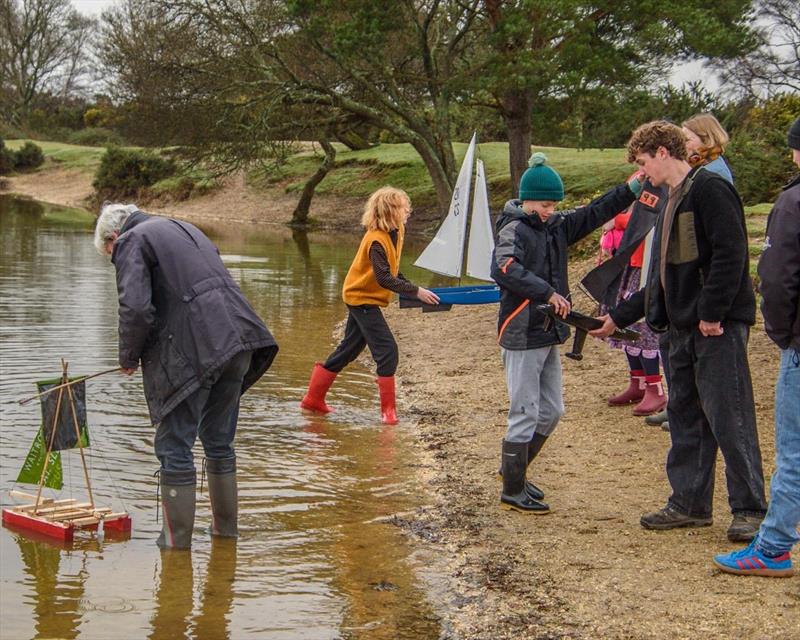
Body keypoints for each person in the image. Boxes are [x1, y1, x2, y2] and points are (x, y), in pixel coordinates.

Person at [590, 121, 767, 542]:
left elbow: (731, 254)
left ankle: (750, 509)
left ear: (663, 153)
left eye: (644, 162)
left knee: (729, 415)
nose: (642, 172)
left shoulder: (710, 190)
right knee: (686, 413)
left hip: (714, 327)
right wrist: (619, 315)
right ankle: (689, 502)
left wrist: (712, 312)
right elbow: (665, 277)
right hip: (679, 326)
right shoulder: (669, 199)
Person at [94, 203, 278, 549]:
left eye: (109, 255)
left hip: (201, 348)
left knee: (173, 444)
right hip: (240, 341)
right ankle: (226, 537)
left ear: (114, 238)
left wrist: (128, 357)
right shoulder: (185, 227)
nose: (113, 260)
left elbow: (135, 308)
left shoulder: (132, 240)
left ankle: (175, 547)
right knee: (218, 440)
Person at [491, 152, 642, 514]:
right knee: (524, 410)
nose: (550, 211)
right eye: (545, 204)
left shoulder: (557, 226)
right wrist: (547, 293)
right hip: (521, 331)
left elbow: (595, 211)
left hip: (548, 332)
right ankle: (512, 490)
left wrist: (632, 188)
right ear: (526, 200)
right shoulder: (513, 229)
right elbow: (503, 268)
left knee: (552, 410)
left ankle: (515, 473)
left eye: (554, 205)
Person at [713, 117, 800, 577]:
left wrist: (781, 332)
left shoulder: (792, 203)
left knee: (794, 450)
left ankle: (773, 547)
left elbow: (777, 276)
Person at [300, 186, 439, 424]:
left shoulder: (397, 231)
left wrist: (414, 290)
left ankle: (312, 400)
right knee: (387, 352)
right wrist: (417, 291)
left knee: (349, 349)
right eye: (404, 208)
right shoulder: (375, 239)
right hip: (361, 299)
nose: (409, 212)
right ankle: (388, 415)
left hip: (365, 299)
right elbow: (383, 278)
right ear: (390, 211)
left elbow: (392, 269)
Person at [597, 176, 667, 418]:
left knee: (644, 327)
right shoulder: (638, 180)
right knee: (625, 321)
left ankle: (654, 386)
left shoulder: (660, 183)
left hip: (645, 263)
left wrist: (615, 220)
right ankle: (637, 381)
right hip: (630, 260)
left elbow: (646, 217)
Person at [682, 113, 734, 184]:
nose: (682, 144)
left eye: (687, 140)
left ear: (707, 140)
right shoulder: (697, 164)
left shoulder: (715, 174)